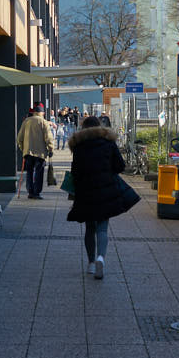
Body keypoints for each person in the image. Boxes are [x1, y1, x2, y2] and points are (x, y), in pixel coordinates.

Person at [66, 116, 126, 279]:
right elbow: (120, 166)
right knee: (102, 227)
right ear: (99, 127)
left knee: (89, 227)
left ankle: (91, 263)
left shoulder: (78, 146)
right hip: (105, 191)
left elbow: (75, 173)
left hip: (86, 191)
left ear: (83, 128)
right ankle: (101, 257)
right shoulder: (108, 143)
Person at [17, 102, 54, 199]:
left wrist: (23, 149)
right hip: (40, 153)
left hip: (28, 152)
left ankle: (30, 191)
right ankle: (37, 192)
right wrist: (51, 149)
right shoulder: (44, 122)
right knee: (39, 172)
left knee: (29, 172)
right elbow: (49, 138)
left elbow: (19, 138)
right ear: (42, 113)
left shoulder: (26, 121)